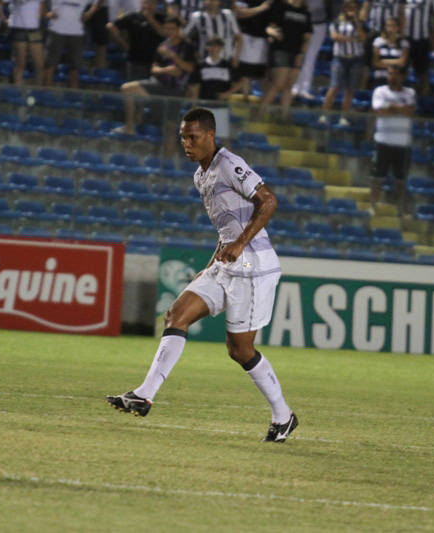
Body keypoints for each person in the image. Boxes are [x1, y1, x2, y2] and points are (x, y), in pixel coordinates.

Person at [106, 107, 297, 443]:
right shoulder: (200, 175)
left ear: (211, 135)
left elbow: (268, 201)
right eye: (182, 137)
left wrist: (238, 244)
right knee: (175, 314)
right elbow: (226, 227)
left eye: (193, 136)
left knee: (239, 350)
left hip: (254, 267)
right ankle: (144, 395)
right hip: (227, 262)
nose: (186, 143)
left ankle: (283, 417)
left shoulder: (229, 164)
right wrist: (214, 261)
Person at [112, 16, 195, 135]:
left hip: (177, 90)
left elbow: (190, 68)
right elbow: (154, 69)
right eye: (167, 29)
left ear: (178, 29)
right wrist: (166, 70)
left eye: (172, 29)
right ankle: (130, 126)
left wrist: (173, 56)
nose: (169, 32)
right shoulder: (162, 46)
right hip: (159, 84)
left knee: (170, 128)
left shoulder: (187, 46)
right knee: (127, 89)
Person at [369, 65, 416, 215]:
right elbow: (379, 110)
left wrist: (391, 106)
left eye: (395, 75)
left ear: (402, 76)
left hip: (403, 144)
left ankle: (400, 209)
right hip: (383, 141)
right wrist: (400, 108)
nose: (392, 77)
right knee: (377, 177)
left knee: (401, 180)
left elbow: (410, 111)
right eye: (390, 74)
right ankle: (372, 206)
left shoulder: (410, 93)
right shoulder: (380, 91)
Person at [320, 0, 365, 127]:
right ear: (344, 8)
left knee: (350, 90)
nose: (351, 9)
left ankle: (343, 117)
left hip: (356, 59)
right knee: (334, 87)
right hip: (340, 58)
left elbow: (363, 38)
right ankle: (324, 115)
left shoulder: (360, 22)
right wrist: (352, 39)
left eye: (354, 7)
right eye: (349, 7)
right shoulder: (337, 22)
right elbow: (334, 37)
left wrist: (356, 22)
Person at [261, 0, 312, 111]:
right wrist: (272, 33)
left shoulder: (306, 13)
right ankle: (259, 114)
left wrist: (301, 54)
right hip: (281, 50)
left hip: (297, 52)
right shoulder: (281, 7)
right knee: (278, 83)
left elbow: (307, 37)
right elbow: (269, 27)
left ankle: (284, 118)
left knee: (288, 86)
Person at [44, 0, 100, 88]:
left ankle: (73, 96)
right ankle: (47, 94)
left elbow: (99, 2)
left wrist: (89, 14)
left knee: (75, 67)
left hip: (76, 33)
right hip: (56, 30)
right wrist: (46, 13)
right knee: (50, 65)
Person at [106, 0, 166, 82]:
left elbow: (164, 34)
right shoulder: (133, 17)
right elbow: (111, 26)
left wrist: (151, 20)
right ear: (141, 4)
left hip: (157, 62)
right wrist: (123, 43)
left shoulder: (162, 18)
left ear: (156, 5)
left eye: (152, 3)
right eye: (146, 3)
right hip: (136, 61)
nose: (148, 6)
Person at [0, 0, 45, 86]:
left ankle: (39, 91)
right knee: (21, 62)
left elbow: (41, 7)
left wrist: (37, 17)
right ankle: (17, 90)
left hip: (34, 29)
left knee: (40, 64)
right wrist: (5, 20)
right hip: (18, 29)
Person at [232, 0, 271, 101]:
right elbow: (238, 13)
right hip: (245, 37)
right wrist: (261, 8)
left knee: (262, 74)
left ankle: (266, 108)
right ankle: (244, 100)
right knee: (244, 72)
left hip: (262, 40)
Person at [403, 0, 434, 95]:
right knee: (402, 69)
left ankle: (422, 98)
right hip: (406, 38)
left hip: (423, 39)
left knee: (423, 72)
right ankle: (400, 96)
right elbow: (400, 12)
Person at [187, 36, 242, 100]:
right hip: (204, 104)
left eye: (216, 45)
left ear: (221, 47)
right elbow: (195, 86)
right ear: (207, 48)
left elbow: (241, 81)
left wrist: (228, 93)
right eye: (210, 45)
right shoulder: (200, 66)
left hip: (222, 107)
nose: (213, 48)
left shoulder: (227, 66)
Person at [371, 16, 410, 89]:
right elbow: (375, 62)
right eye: (388, 25)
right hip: (380, 76)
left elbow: (402, 63)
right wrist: (396, 62)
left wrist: (384, 61)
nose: (390, 28)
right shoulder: (378, 41)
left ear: (398, 27)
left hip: (397, 77)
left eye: (393, 25)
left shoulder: (404, 43)